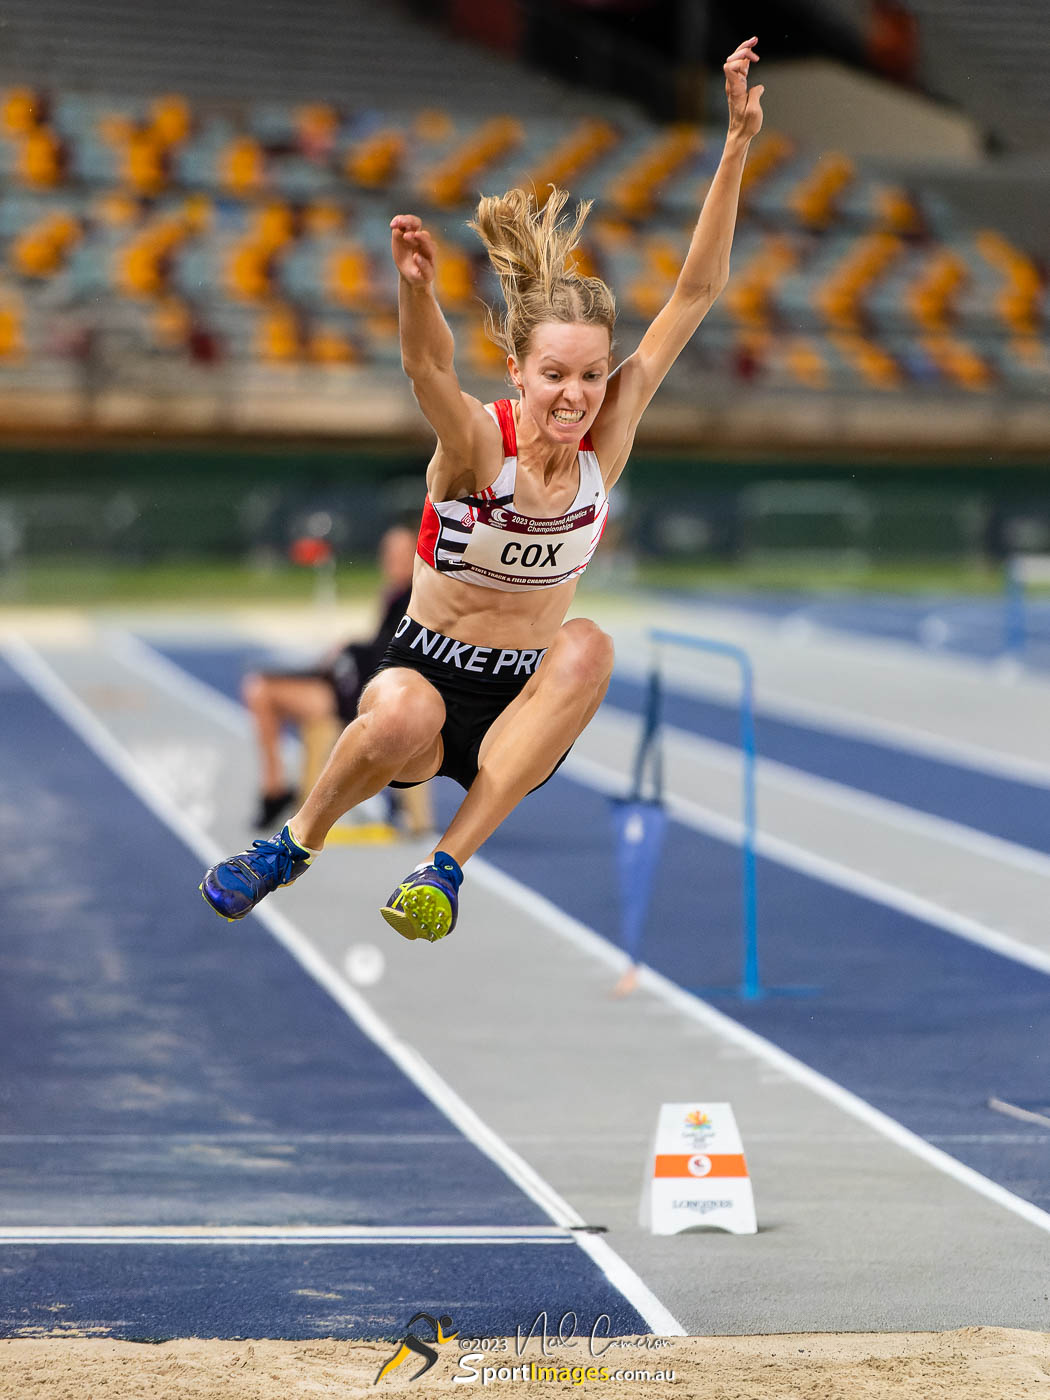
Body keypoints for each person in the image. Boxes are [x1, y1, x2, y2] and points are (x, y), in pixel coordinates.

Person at [200, 37, 764, 941]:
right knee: (407, 711)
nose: (576, 396)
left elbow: (695, 294)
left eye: (591, 376)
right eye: (556, 376)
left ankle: (444, 869)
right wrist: (416, 289)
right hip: (425, 682)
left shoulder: (603, 444)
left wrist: (735, 143)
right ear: (518, 371)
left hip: (520, 702)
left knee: (588, 646)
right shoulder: (475, 447)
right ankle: (293, 844)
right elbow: (425, 366)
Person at [242, 522, 416, 830]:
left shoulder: (414, 600)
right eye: (388, 552)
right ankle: (274, 789)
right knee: (259, 689)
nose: (393, 559)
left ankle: (275, 793)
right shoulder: (394, 594)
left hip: (358, 698)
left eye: (402, 552)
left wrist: (346, 650)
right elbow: (376, 650)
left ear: (417, 555)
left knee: (260, 690)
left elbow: (388, 657)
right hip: (351, 686)